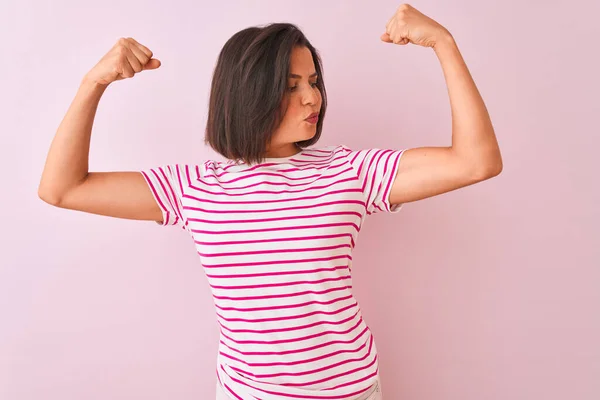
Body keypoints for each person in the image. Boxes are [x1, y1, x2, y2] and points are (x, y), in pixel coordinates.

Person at [38, 4, 502, 400]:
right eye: (291, 85)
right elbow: (62, 188)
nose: (312, 97)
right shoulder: (195, 187)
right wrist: (93, 82)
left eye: (314, 82)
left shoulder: (349, 171)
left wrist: (444, 43)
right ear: (248, 93)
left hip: (348, 390)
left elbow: (476, 161)